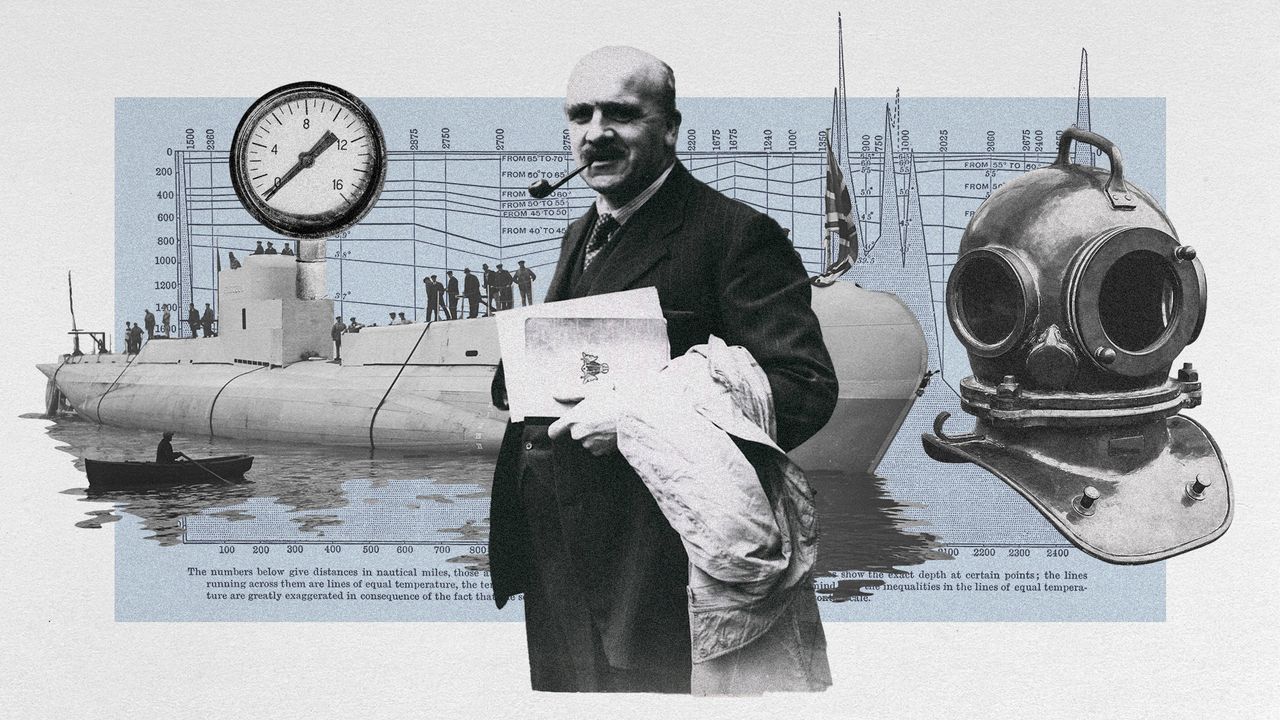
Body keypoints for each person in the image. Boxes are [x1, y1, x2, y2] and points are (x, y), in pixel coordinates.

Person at [488, 46, 837, 694]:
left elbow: (804, 386)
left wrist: (649, 418)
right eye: (580, 114)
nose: (596, 133)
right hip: (558, 567)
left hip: (651, 575)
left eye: (621, 113)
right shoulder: (580, 234)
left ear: (670, 128)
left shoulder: (733, 234)